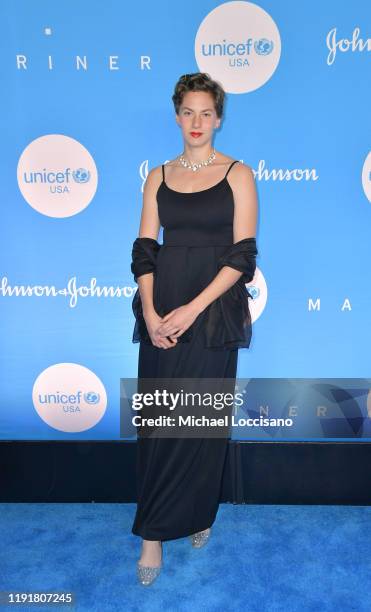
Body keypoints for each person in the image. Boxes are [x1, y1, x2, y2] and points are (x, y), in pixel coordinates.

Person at [130, 72, 258, 586]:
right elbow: (144, 249)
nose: (197, 122)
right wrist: (153, 311)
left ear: (219, 118)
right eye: (188, 112)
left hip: (213, 310)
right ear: (176, 115)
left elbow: (243, 255)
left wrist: (193, 310)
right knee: (160, 422)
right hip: (161, 309)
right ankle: (153, 534)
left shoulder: (239, 174)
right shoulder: (158, 176)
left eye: (207, 113)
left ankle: (198, 512)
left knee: (201, 424)